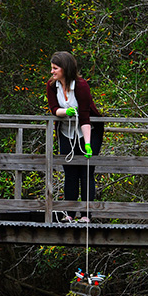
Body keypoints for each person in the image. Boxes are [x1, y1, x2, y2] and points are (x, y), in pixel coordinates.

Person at [46, 51, 103, 223]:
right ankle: (69, 213)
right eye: (52, 68)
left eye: (55, 68)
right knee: (70, 173)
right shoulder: (51, 86)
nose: (52, 72)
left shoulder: (81, 86)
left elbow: (85, 117)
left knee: (86, 173)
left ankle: (86, 214)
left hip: (87, 132)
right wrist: (66, 112)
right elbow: (54, 109)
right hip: (66, 133)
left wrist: (88, 144)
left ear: (65, 69)